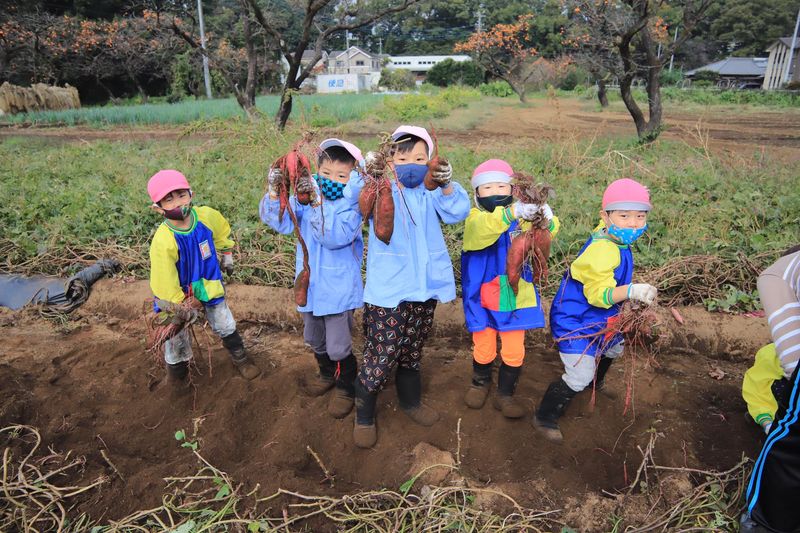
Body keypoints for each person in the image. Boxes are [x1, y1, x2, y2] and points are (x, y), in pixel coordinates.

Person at [346, 125, 471, 448]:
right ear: (390, 159)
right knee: (382, 352)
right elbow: (352, 197)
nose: (411, 163)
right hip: (388, 292)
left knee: (412, 350)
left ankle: (411, 402)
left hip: (424, 289)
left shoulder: (430, 193)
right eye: (402, 156)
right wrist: (367, 172)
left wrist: (445, 184)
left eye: (420, 157)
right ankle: (363, 415)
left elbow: (458, 212)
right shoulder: (379, 188)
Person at [533, 178, 657, 442]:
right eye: (624, 216)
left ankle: (595, 384)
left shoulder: (616, 239)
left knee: (614, 347)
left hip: (603, 316)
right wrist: (632, 291)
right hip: (576, 319)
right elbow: (600, 295)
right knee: (578, 374)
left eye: (640, 216)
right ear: (606, 216)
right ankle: (545, 416)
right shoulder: (603, 250)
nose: (633, 223)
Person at [260, 139, 364, 418]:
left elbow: (333, 238)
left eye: (342, 176)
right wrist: (275, 191)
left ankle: (346, 385)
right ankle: (326, 373)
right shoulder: (304, 199)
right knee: (314, 338)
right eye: (326, 173)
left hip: (339, 290)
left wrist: (316, 201)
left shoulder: (352, 208)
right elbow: (280, 221)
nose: (332, 180)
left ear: (354, 177)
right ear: (317, 170)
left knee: (338, 345)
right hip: (310, 286)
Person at [460, 159, 559, 418]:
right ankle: (479, 383)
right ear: (477, 194)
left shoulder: (523, 221)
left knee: (514, 350)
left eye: (502, 187)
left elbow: (546, 236)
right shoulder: (475, 218)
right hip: (482, 295)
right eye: (488, 188)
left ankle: (505, 394)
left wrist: (547, 219)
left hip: (516, 294)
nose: (495, 193)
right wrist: (509, 214)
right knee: (484, 345)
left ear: (513, 191)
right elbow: (482, 231)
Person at [148, 169, 261, 386]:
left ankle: (241, 357)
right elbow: (163, 279)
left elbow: (220, 231)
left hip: (208, 282)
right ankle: (177, 375)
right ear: (158, 208)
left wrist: (226, 252)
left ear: (191, 193)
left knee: (224, 321)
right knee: (175, 337)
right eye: (168, 200)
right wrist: (179, 305)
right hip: (179, 296)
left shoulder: (206, 216)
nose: (178, 203)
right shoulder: (163, 240)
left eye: (181, 195)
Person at [741, 248, 800, 533]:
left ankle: (768, 521)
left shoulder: (780, 275)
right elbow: (756, 387)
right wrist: (766, 420)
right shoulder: (770, 357)